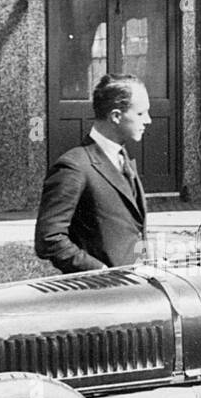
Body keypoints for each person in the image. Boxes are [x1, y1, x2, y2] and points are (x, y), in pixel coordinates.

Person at [35, 73, 150, 273]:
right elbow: (49, 238)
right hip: (99, 293)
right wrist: (100, 271)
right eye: (140, 114)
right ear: (115, 116)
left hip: (134, 291)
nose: (148, 120)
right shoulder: (74, 167)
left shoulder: (122, 158)